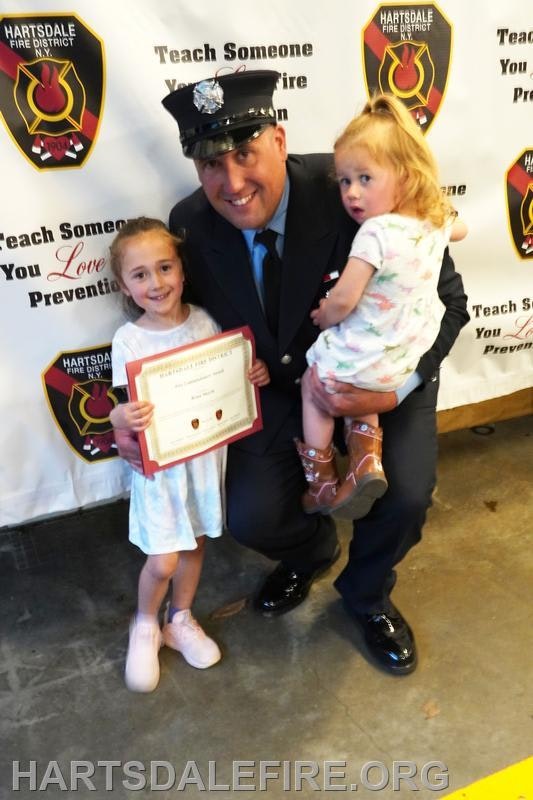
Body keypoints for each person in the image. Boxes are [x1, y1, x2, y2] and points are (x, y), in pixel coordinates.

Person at [114, 70, 469, 675]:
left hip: (385, 380)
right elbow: (172, 331)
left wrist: (394, 392)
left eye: (246, 153)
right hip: (280, 392)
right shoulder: (191, 223)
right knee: (252, 514)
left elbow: (451, 303)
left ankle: (365, 595)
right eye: (211, 164)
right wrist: (134, 419)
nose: (231, 182)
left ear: (279, 139)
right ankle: (312, 553)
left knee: (406, 496)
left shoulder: (356, 190)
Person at [109, 216, 269, 692]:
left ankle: (180, 619)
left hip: (202, 461)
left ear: (181, 269)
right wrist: (120, 419)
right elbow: (123, 409)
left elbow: (225, 375)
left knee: (196, 541)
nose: (156, 283)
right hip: (161, 472)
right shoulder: (129, 340)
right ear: (124, 284)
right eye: (141, 275)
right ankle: (144, 624)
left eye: (165, 268)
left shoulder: (205, 321)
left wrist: (251, 372)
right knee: (163, 559)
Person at [297, 93, 467, 521]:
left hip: (375, 364)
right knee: (365, 363)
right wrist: (440, 214)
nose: (352, 193)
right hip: (397, 358)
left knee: (313, 383)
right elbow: (460, 227)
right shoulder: (435, 221)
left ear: (405, 178)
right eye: (344, 181)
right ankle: (365, 462)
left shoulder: (375, 233)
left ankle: (321, 481)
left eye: (365, 179)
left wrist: (324, 315)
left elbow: (345, 298)